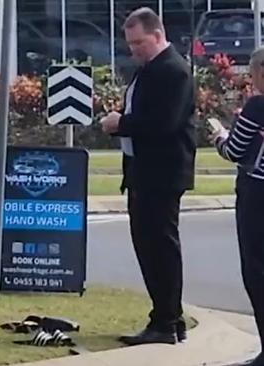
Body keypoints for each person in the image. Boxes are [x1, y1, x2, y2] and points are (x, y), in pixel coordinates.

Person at [100, 7, 196, 345]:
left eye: (139, 42)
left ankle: (167, 322)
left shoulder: (173, 71)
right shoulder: (148, 70)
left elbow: (163, 123)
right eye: (130, 44)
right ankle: (166, 316)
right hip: (142, 172)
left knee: (160, 248)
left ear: (157, 35)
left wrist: (120, 123)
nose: (134, 50)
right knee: (148, 246)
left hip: (162, 173)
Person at [210, 47, 264, 366]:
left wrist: (219, 135)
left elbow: (234, 150)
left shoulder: (258, 106)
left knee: (257, 271)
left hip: (257, 195)